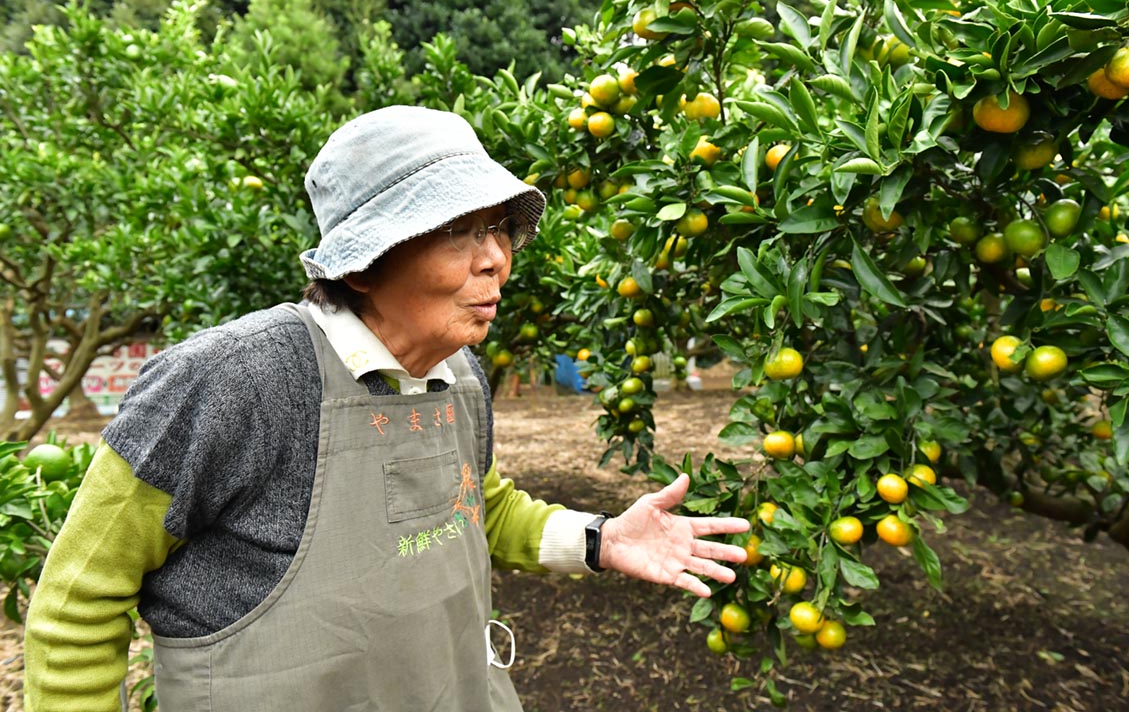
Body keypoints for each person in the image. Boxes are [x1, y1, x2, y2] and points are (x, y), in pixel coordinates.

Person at [23, 105, 750, 711]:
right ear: (364, 264)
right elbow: (79, 598)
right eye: (459, 230)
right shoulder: (231, 382)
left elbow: (480, 507)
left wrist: (602, 540)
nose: (495, 257)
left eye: (498, 228)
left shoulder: (458, 375)